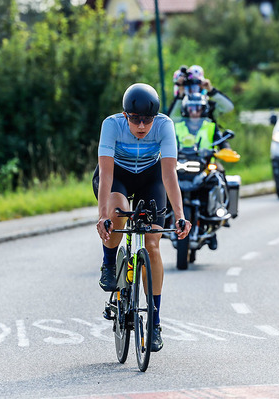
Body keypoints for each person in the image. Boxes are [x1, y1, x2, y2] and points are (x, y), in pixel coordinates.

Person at [93, 83, 192, 352]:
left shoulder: (164, 125)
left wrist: (180, 215)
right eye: (135, 119)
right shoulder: (111, 125)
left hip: (151, 178)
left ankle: (155, 323)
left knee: (153, 243)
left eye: (147, 119)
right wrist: (103, 217)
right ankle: (109, 262)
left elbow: (170, 174)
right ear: (126, 116)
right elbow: (106, 173)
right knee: (117, 212)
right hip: (118, 177)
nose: (142, 125)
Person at [174, 92, 232, 250]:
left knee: (219, 176)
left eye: (198, 108)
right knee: (162, 179)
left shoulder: (210, 126)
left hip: (205, 167)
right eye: (191, 108)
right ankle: (162, 215)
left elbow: (223, 143)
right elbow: (166, 142)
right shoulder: (176, 127)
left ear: (204, 109)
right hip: (181, 165)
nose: (194, 112)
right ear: (185, 109)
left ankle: (219, 215)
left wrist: (225, 150)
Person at [169, 64, 234, 122]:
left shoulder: (208, 106)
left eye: (196, 85)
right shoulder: (180, 107)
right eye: (188, 86)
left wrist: (211, 90)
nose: (193, 90)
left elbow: (228, 107)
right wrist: (180, 95)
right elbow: (172, 119)